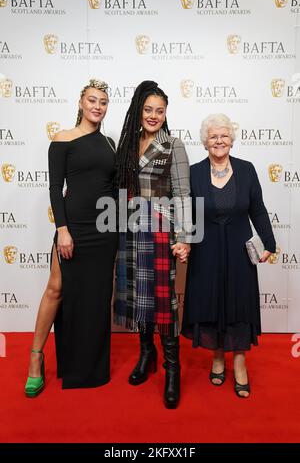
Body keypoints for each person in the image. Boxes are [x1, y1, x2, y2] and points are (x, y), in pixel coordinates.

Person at [24, 79, 118, 397]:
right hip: (74, 226)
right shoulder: (63, 138)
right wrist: (62, 229)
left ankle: (88, 366)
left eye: (103, 101)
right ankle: (35, 358)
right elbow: (55, 188)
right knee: (56, 288)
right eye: (92, 100)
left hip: (105, 230)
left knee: (96, 297)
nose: (97, 106)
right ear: (81, 103)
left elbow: (112, 188)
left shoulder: (109, 143)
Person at [182, 113, 276, 398]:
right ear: (205, 142)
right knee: (211, 302)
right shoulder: (195, 172)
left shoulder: (246, 170)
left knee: (239, 303)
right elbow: (186, 211)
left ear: (232, 140)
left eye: (224, 135)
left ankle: (239, 363)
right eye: (213, 136)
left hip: (238, 248)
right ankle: (218, 358)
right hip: (206, 249)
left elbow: (257, 209)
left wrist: (269, 242)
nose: (219, 140)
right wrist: (182, 241)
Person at [114, 80, 191, 409]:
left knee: (163, 302)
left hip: (160, 233)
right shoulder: (127, 146)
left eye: (160, 110)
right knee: (137, 297)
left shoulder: (174, 145)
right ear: (138, 111)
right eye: (148, 109)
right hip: (129, 232)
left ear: (166, 114)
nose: (154, 115)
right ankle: (146, 354)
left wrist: (184, 237)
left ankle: (171, 370)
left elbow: (183, 194)